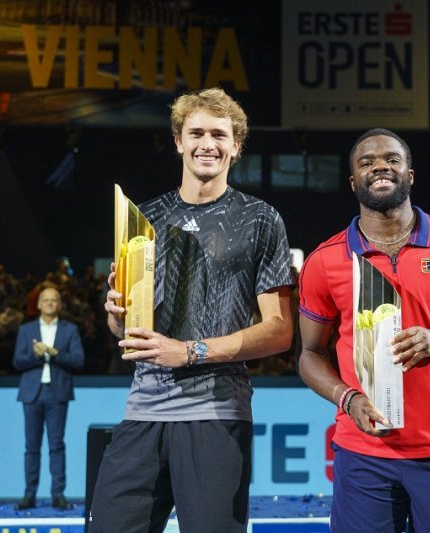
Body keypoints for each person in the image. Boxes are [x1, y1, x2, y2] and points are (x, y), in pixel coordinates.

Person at [90, 87, 293, 532]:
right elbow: (124, 329)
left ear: (236, 146)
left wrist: (189, 352)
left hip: (216, 414)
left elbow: (279, 331)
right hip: (143, 410)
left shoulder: (260, 218)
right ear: (178, 140)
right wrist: (116, 312)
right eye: (196, 132)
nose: (208, 143)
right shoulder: (144, 218)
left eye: (219, 134)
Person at [297, 129, 430, 532]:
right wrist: (347, 399)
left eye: (391, 159)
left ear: (410, 174)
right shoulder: (325, 261)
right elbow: (309, 355)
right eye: (366, 162)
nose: (379, 166)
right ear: (353, 182)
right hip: (363, 454)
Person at [13, 287, 84, 510]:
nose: (51, 303)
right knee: (31, 447)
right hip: (32, 394)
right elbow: (17, 361)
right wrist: (37, 356)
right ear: (39, 304)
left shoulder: (69, 330)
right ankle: (29, 495)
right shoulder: (26, 330)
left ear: (60, 305)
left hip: (57, 393)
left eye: (55, 300)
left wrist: (55, 353)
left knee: (56, 446)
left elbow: (79, 360)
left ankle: (58, 495)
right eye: (47, 300)